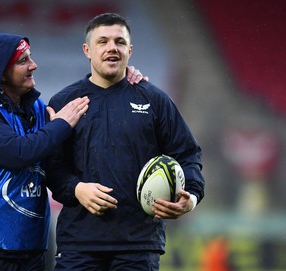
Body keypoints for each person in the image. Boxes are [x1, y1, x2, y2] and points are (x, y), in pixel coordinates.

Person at [0, 32, 145, 271]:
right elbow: (20, 153)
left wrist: (123, 77)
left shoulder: (39, 110)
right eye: (23, 61)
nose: (34, 65)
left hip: (31, 249)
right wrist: (60, 124)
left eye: (30, 57)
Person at [47, 13, 205, 271]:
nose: (112, 47)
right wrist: (76, 189)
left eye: (120, 42)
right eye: (103, 41)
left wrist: (192, 197)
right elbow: (51, 166)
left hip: (138, 245)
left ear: (130, 50)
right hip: (79, 243)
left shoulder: (155, 100)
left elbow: (187, 154)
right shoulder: (65, 102)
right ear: (87, 50)